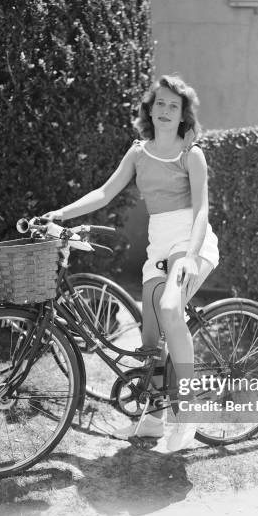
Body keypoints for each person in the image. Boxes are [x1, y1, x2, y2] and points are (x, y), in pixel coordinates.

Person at [43, 75, 219, 452]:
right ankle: (155, 418)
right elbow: (105, 192)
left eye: (174, 105)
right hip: (159, 243)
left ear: (184, 113)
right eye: (160, 103)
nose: (167, 110)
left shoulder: (192, 153)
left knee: (171, 308)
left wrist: (190, 253)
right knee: (150, 338)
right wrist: (59, 213)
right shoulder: (139, 152)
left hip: (188, 238)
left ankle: (188, 414)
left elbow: (203, 208)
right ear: (149, 109)